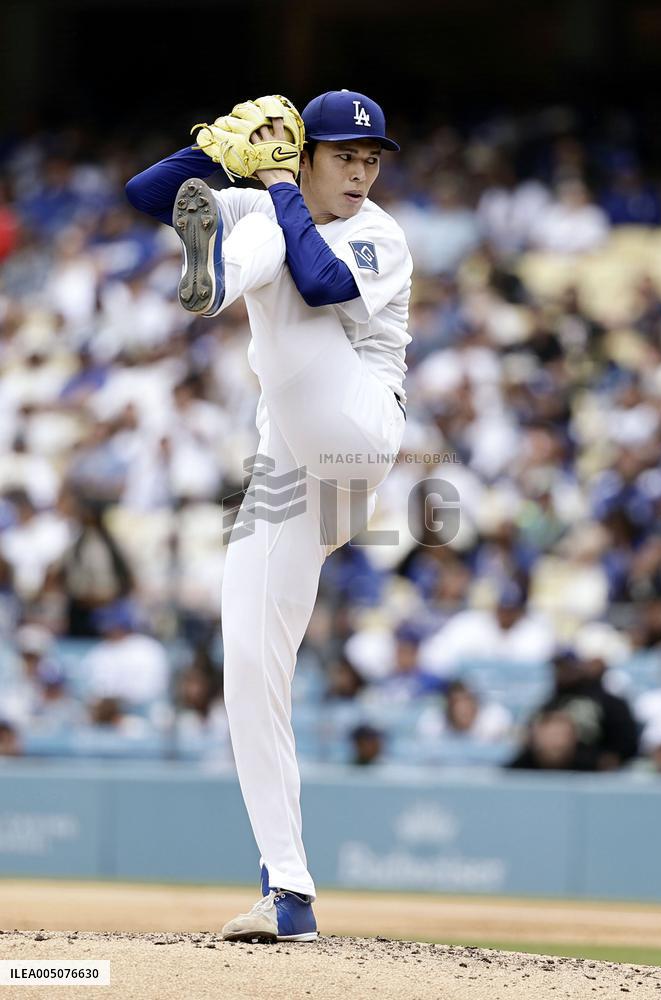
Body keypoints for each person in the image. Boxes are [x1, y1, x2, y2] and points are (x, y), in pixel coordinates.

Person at [126, 89, 411, 942]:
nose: (360, 171)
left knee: (278, 256)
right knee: (248, 662)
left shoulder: (381, 232)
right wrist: (210, 152)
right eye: (344, 157)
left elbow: (322, 283)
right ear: (309, 154)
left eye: (370, 159)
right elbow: (147, 196)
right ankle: (287, 891)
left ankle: (215, 284)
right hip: (289, 465)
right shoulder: (269, 195)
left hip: (357, 426)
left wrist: (278, 185)